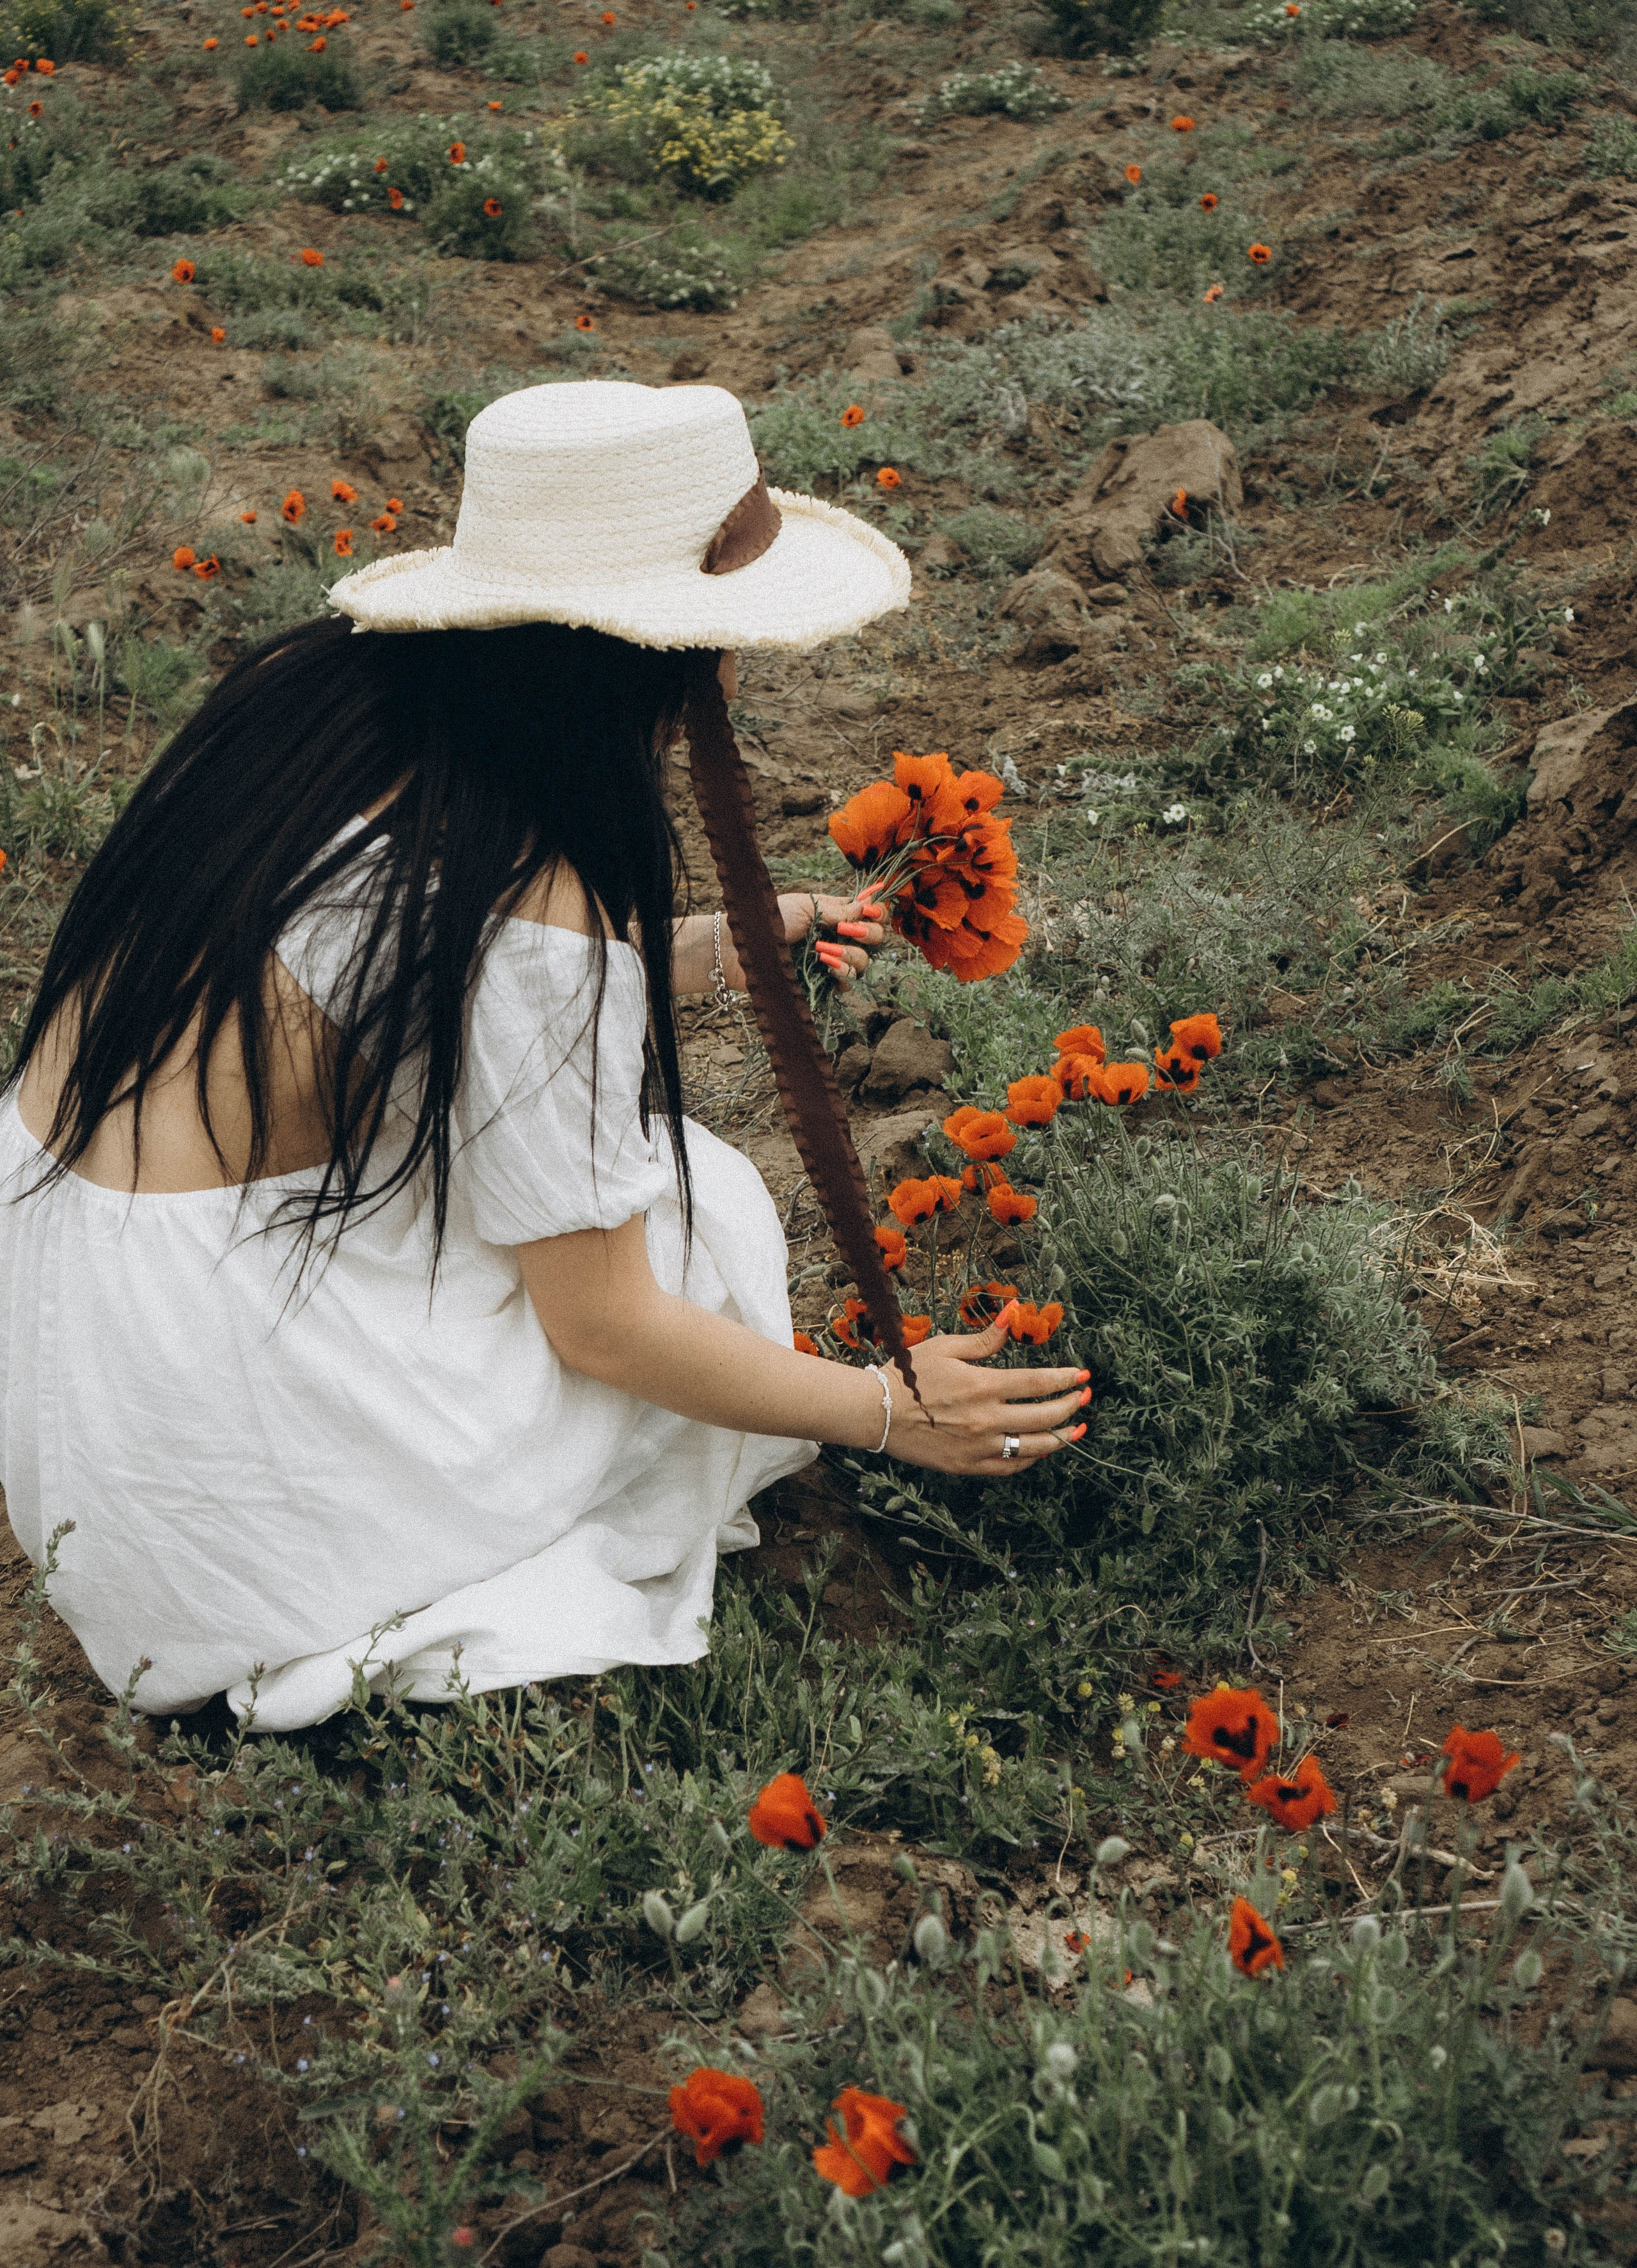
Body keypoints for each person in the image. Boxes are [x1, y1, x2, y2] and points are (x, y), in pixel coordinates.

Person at [0, 380, 1087, 1732]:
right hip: (231, 1455)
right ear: (650, 650)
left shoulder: (323, 701)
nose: (735, 676)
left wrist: (710, 943)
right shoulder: (537, 900)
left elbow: (384, 964)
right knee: (703, 1225)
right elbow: (603, 1323)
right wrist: (877, 1409)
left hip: (86, 1350)